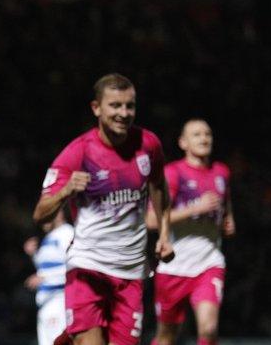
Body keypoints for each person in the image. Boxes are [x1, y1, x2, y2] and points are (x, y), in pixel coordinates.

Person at [33, 73, 174, 345]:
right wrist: (65, 191)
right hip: (88, 267)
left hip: (131, 273)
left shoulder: (149, 145)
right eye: (115, 106)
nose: (123, 113)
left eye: (129, 106)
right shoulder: (78, 153)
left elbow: (159, 188)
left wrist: (165, 235)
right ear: (96, 108)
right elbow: (40, 214)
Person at [146, 119, 235, 345]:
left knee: (209, 329)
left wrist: (228, 224)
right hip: (175, 265)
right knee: (166, 335)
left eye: (208, 134)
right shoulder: (173, 173)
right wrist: (195, 208)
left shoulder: (221, 172)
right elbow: (150, 221)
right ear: (183, 142)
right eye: (197, 135)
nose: (204, 138)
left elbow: (227, 212)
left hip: (209, 263)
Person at [23, 209, 74, 345]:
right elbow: (43, 269)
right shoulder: (48, 237)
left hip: (59, 301)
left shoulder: (67, 233)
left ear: (58, 213)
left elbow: (74, 268)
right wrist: (33, 255)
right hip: (45, 304)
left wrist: (44, 277)